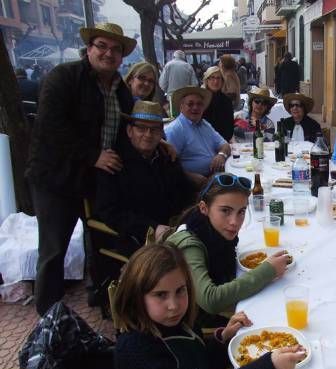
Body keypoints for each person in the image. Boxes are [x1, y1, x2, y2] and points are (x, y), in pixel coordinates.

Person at [113, 243, 305, 369]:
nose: (174, 305)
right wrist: (269, 368)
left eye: (180, 291)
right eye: (160, 295)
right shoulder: (134, 349)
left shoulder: (178, 321)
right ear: (137, 297)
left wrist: (223, 341)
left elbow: (196, 368)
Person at [26, 22, 136, 316]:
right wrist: (93, 155)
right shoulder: (63, 77)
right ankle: (49, 321)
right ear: (89, 48)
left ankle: (100, 300)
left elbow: (131, 126)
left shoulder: (120, 89)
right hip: (55, 179)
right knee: (53, 251)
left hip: (94, 180)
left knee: (99, 244)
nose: (108, 53)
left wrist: (160, 143)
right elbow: (50, 127)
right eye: (102, 46)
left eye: (116, 49)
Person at [168, 173, 290, 326]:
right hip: (195, 322)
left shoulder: (214, 232)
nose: (235, 222)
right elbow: (210, 300)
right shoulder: (190, 245)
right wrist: (268, 271)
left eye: (241, 212)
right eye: (225, 211)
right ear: (204, 208)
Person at [95, 101, 196, 255]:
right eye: (141, 128)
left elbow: (185, 191)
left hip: (175, 229)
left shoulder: (167, 157)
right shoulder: (114, 162)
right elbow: (111, 213)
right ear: (129, 131)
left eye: (154, 129)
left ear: (161, 133)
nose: (148, 135)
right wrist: (152, 228)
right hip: (136, 238)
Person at [164, 86, 231, 183]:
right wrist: (190, 177)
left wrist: (221, 155)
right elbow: (169, 167)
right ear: (181, 107)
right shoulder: (175, 129)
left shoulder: (205, 124)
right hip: (192, 186)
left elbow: (225, 145)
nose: (195, 107)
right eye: (190, 104)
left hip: (215, 177)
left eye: (199, 104)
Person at [201, 66, 234, 142]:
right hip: (202, 142)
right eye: (212, 78)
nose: (215, 81)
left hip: (222, 142)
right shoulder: (200, 99)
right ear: (207, 80)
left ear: (222, 81)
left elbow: (229, 128)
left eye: (218, 78)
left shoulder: (226, 101)